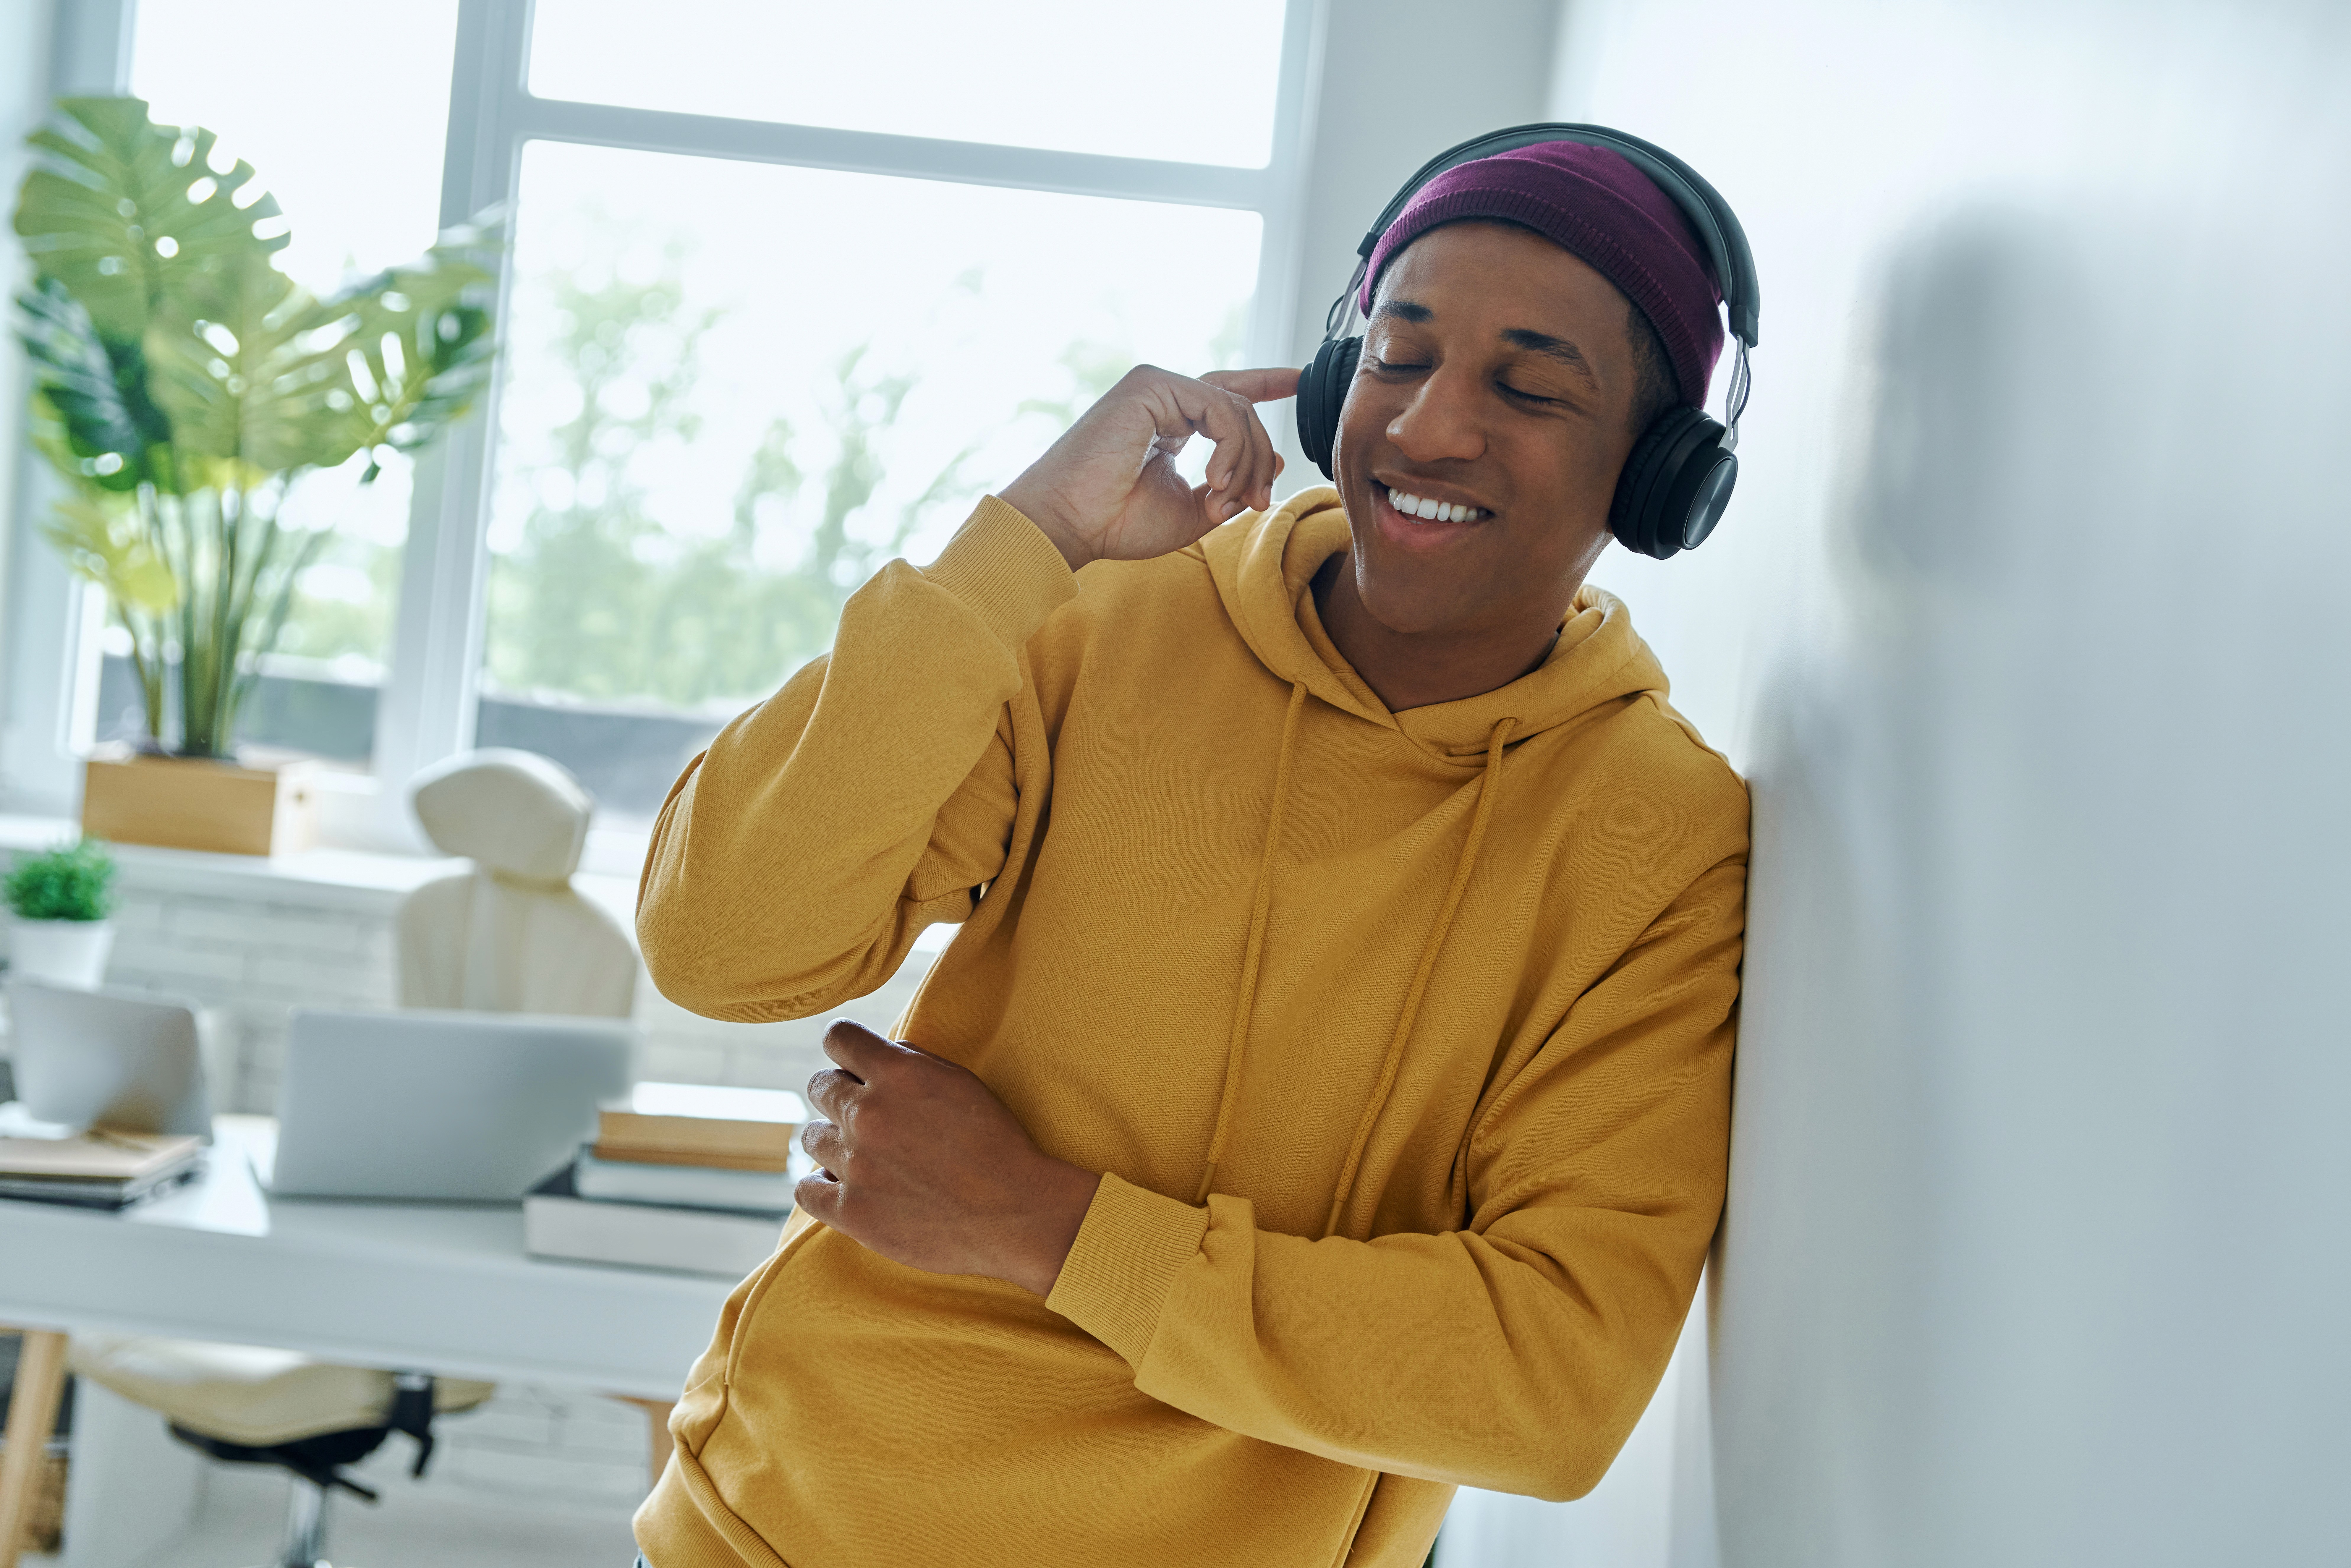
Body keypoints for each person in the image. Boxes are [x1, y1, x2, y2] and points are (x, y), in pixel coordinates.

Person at [631, 137, 1750, 1568]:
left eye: (1528, 389)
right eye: (1396, 359)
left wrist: (1043, 1227)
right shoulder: (1111, 620)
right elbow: (722, 944)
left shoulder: (1657, 839)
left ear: (1658, 477)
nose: (1425, 430)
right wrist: (1023, 545)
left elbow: (1546, 1386)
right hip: (777, 1530)